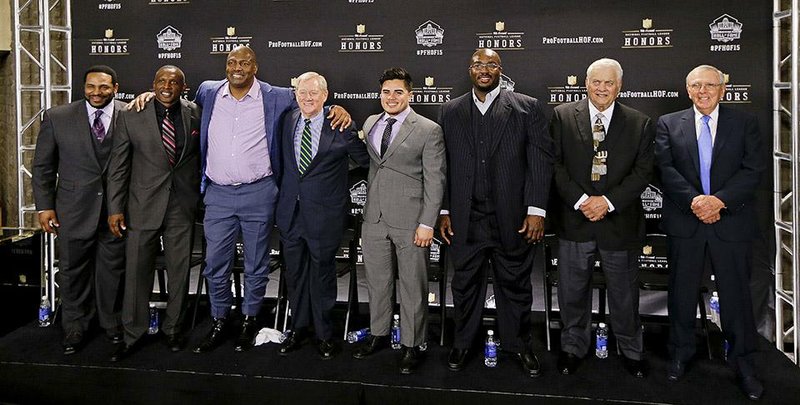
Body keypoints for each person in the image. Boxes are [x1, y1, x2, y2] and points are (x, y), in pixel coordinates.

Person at [172, 46, 352, 353]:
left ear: (256, 67)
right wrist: (148, 97)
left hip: (259, 192)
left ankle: (249, 320)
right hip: (218, 192)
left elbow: (312, 102)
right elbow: (177, 104)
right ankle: (218, 319)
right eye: (231, 62)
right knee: (215, 264)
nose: (237, 67)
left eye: (244, 62)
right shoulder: (208, 91)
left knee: (257, 265)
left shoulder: (277, 96)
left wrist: (338, 109)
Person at [438, 49, 553, 377]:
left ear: (501, 70)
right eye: (478, 64)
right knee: (464, 285)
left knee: (515, 285)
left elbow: (540, 162)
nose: (484, 70)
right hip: (465, 218)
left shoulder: (526, 107)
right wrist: (445, 209)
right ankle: (463, 343)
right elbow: (441, 166)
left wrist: (536, 210)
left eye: (491, 65)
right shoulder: (450, 110)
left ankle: (518, 345)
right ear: (470, 69)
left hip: (514, 219)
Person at [655, 65, 765, 400]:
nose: (703, 91)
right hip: (685, 222)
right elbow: (664, 168)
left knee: (736, 297)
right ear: (687, 90)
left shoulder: (744, 123)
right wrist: (696, 202)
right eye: (696, 85)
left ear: (723, 90)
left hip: (729, 222)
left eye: (710, 85)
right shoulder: (669, 123)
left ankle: (743, 361)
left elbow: (753, 170)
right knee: (681, 293)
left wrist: (719, 201)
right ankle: (680, 353)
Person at [549, 58, 654, 377]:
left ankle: (631, 350)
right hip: (574, 220)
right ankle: (573, 347)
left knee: (624, 294)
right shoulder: (562, 116)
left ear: (619, 86)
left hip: (619, 223)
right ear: (585, 83)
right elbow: (554, 165)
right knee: (572, 292)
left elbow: (642, 172)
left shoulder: (640, 122)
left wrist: (607, 202)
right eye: (596, 82)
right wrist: (582, 201)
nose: (602, 88)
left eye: (609, 83)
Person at [352, 67, 446, 374]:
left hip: (411, 220)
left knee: (412, 287)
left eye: (398, 92)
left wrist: (427, 223)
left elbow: (435, 181)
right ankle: (378, 334)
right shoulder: (370, 123)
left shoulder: (428, 129)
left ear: (410, 94)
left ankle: (411, 343)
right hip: (374, 218)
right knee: (377, 283)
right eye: (386, 92)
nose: (391, 98)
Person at [105, 65, 201, 361]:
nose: (167, 86)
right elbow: (118, 167)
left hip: (181, 206)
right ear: (152, 84)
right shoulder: (131, 114)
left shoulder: (195, 112)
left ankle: (173, 329)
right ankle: (133, 333)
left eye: (174, 82)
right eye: (161, 80)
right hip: (141, 205)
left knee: (179, 271)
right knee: (136, 271)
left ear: (184, 87)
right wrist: (115, 208)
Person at [32, 65, 126, 355]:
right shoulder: (58, 117)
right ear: (83, 87)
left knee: (112, 271)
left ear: (115, 87)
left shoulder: (132, 113)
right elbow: (43, 166)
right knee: (72, 271)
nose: (96, 93)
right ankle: (74, 326)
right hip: (72, 209)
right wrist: (44, 205)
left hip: (116, 210)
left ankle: (112, 324)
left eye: (103, 87)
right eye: (90, 87)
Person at [276, 72, 369, 360]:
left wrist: (336, 186)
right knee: (295, 274)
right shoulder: (288, 120)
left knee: (323, 275)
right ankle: (297, 328)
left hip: (325, 216)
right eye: (302, 93)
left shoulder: (340, 126)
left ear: (325, 96)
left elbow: (365, 161)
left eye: (313, 93)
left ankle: (324, 333)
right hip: (291, 213)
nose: (307, 98)